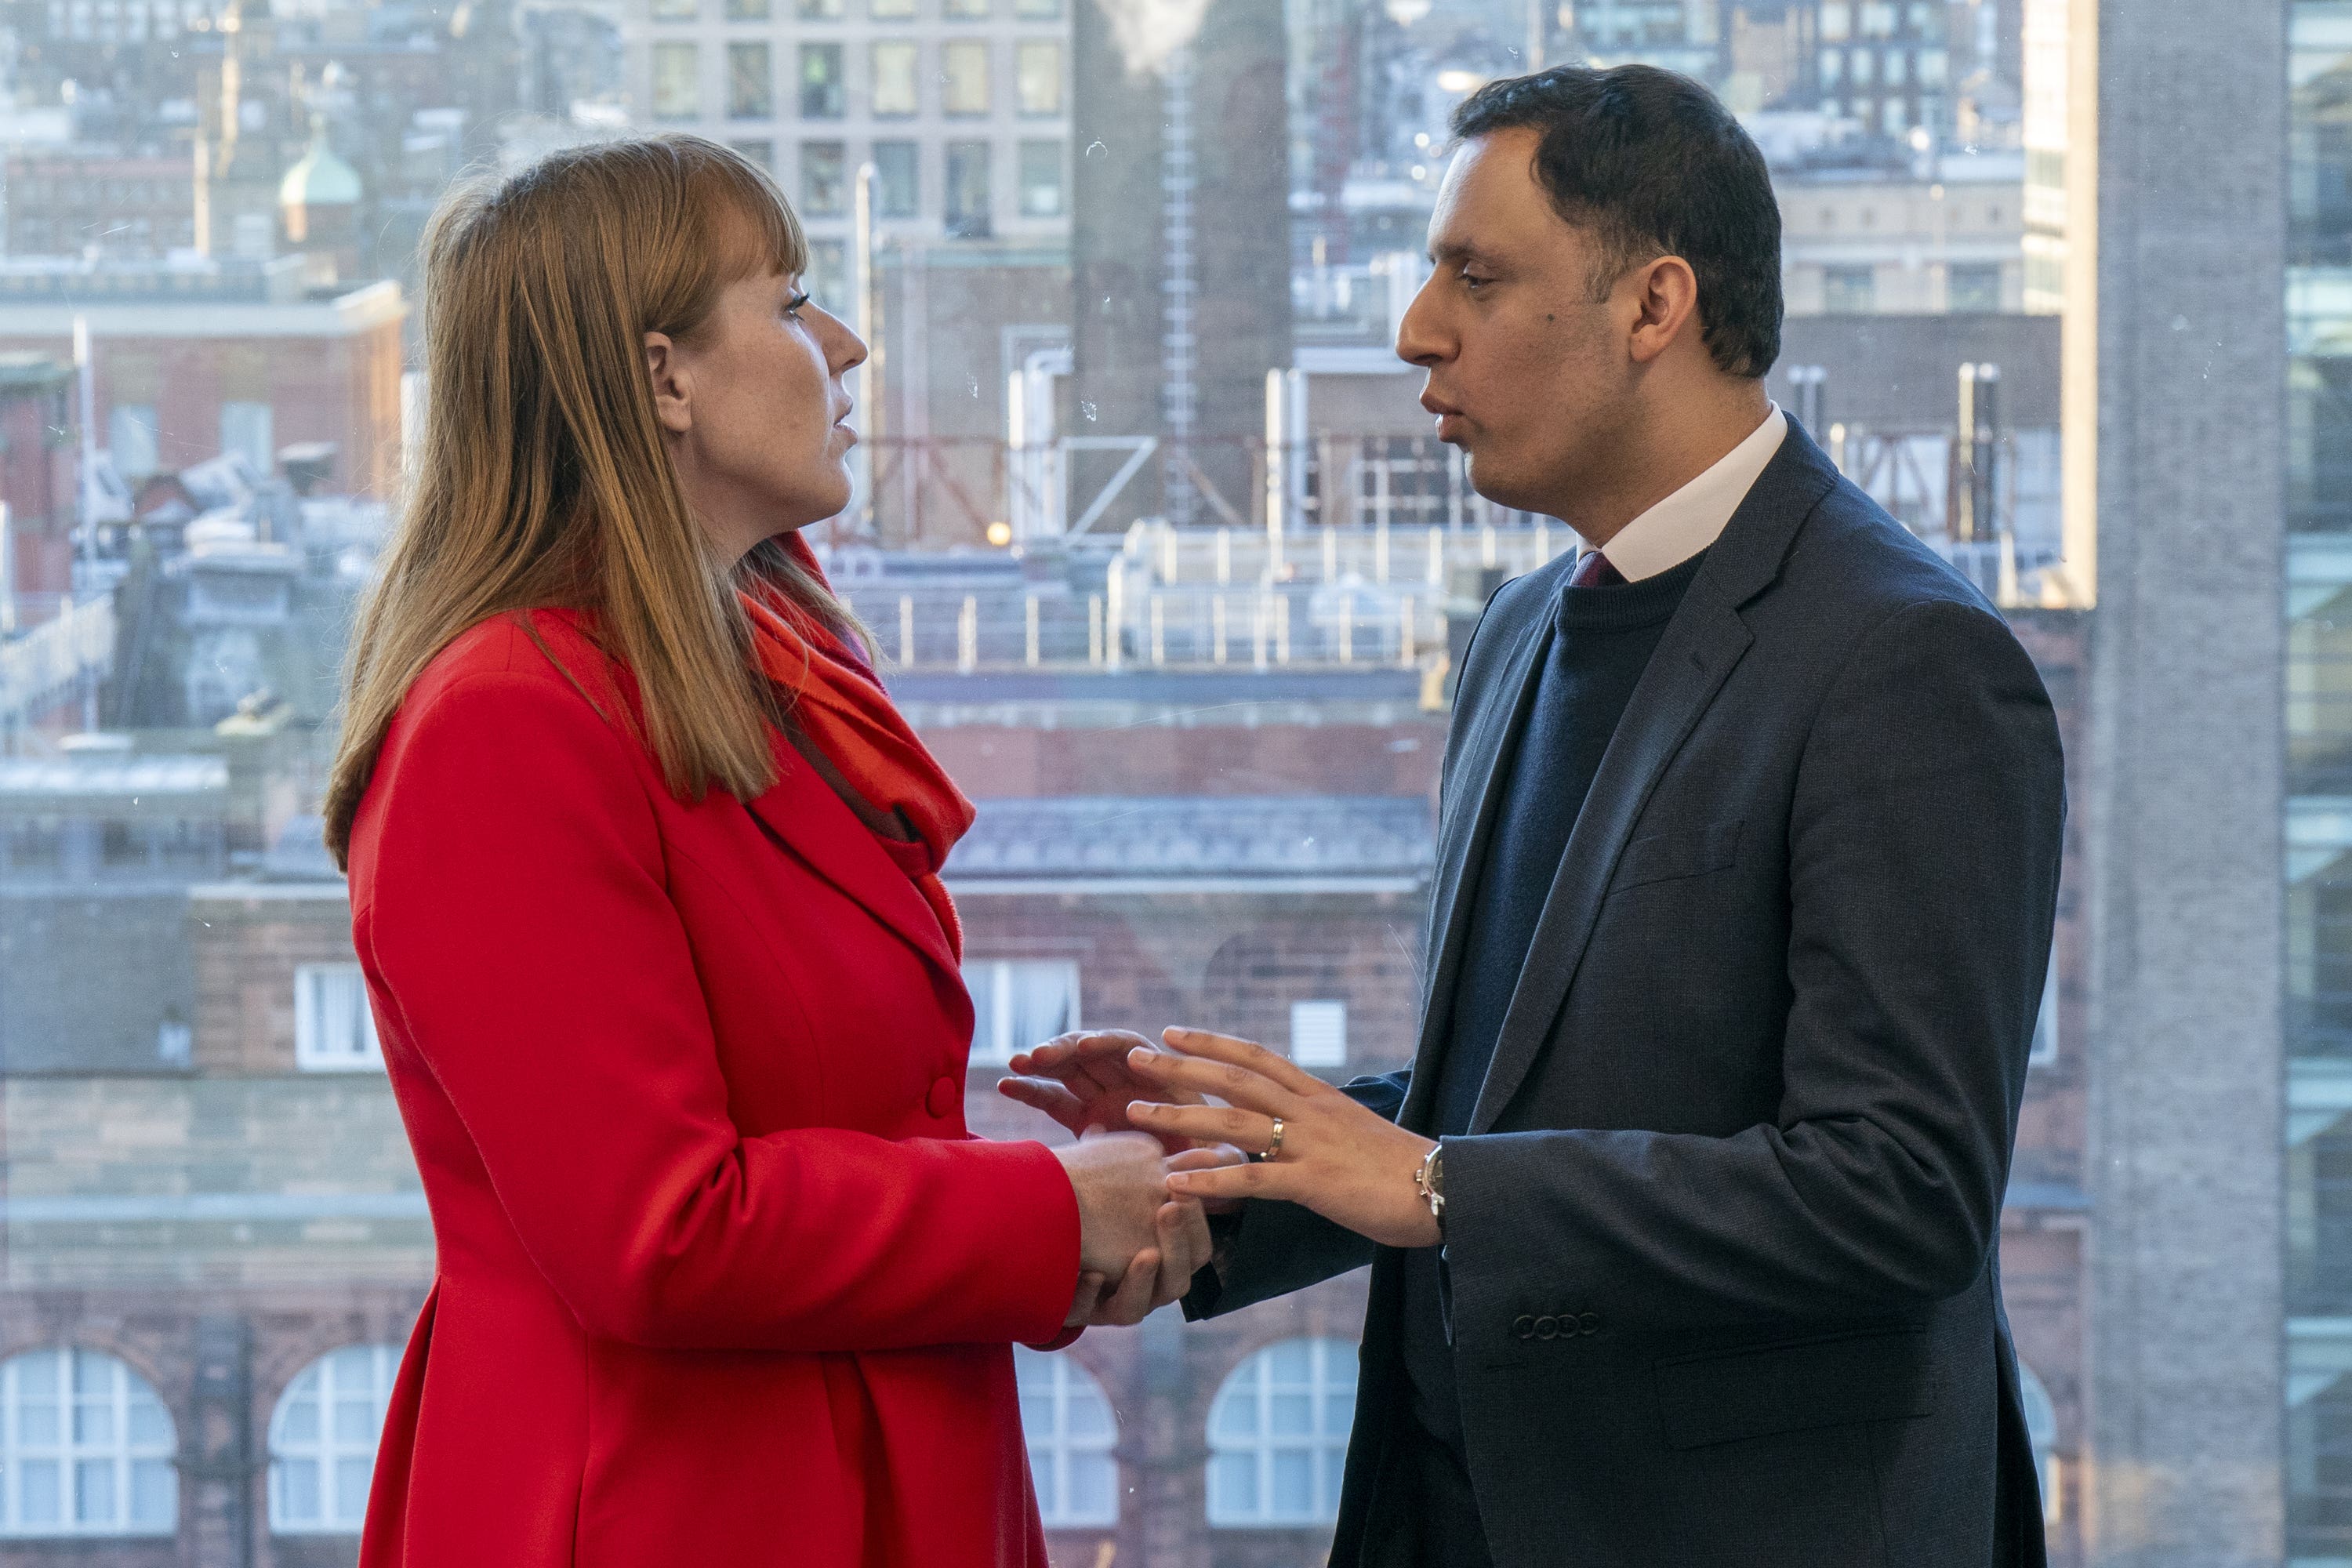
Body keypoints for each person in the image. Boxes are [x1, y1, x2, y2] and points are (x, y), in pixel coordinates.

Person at [1001, 65, 2063, 1568]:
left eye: (1475, 276)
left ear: (1655, 307)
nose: (1413, 330)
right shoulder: (1518, 629)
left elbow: (1901, 1196)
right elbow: (1512, 1098)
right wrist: (1218, 1168)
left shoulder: (1906, 660)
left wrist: (1432, 1184)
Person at [324, 134, 1220, 1567]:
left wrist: (1098, 1204)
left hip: (852, 1478)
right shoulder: (505, 725)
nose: (847, 343)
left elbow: (811, 1139)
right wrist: (1049, 1209)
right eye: (794, 302)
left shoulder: (746, 664)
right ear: (664, 376)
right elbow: (660, 1234)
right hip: (665, 1510)